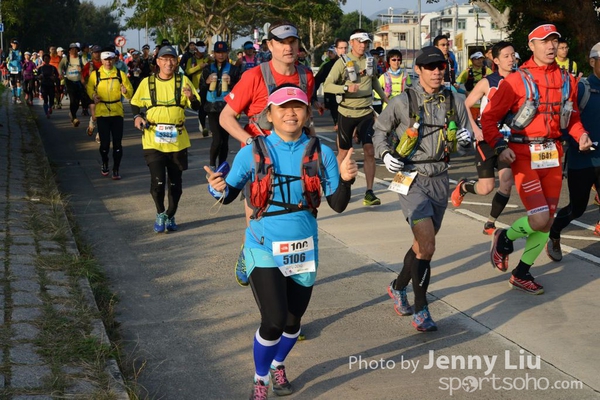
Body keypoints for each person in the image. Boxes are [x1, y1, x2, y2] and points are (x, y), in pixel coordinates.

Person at [204, 84, 357, 399]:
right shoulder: (253, 152)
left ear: (307, 114)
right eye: (282, 108)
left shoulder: (321, 153)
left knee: (292, 322)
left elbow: (338, 204)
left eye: (297, 107)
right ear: (269, 115)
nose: (290, 113)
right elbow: (228, 194)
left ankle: (278, 364)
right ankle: (260, 378)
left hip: (303, 248)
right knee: (273, 321)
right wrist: (216, 187)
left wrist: (345, 179)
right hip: (263, 244)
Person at [482, 23, 591, 295]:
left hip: (553, 156)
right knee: (540, 217)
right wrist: (499, 146)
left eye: (554, 40)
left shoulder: (568, 80)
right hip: (523, 155)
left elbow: (572, 118)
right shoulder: (516, 80)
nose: (551, 46)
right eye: (544, 41)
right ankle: (504, 237)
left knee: (548, 220)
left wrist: (581, 135)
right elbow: (489, 119)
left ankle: (522, 273)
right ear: (531, 46)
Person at [372, 46, 472, 332]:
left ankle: (397, 286)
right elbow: (379, 132)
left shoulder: (455, 100)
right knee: (427, 245)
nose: (437, 71)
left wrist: (465, 140)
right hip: (410, 177)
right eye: (430, 67)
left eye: (441, 66)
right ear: (418, 70)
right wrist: (385, 154)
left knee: (420, 246)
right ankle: (422, 309)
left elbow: (464, 143)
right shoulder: (402, 101)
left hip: (440, 178)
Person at [219, 21, 317, 287]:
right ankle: (250, 253)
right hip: (259, 164)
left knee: (295, 220)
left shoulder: (306, 77)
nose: (288, 47)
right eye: (281, 42)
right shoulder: (254, 76)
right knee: (258, 218)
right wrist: (252, 143)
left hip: (294, 161)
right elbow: (226, 117)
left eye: (292, 42)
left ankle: (291, 291)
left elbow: (304, 119)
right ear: (269, 45)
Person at [130, 45, 201, 233]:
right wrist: (137, 117)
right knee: (158, 182)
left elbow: (196, 106)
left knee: (176, 184)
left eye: (172, 59)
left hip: (177, 141)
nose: (169, 63)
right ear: (158, 62)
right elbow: (135, 102)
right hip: (153, 139)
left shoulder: (183, 80)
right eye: (165, 59)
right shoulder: (147, 82)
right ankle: (160, 213)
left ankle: (170, 214)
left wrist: (191, 97)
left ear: (176, 62)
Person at [451, 41, 516, 235]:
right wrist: (474, 129)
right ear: (495, 60)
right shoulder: (488, 82)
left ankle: (490, 223)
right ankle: (464, 187)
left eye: (513, 55)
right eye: (506, 56)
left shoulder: (521, 80)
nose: (511, 59)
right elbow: (465, 105)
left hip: (508, 140)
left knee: (506, 182)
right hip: (486, 138)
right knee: (486, 188)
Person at [546, 42, 600, 261]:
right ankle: (554, 232)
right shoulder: (582, 88)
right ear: (592, 62)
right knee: (577, 209)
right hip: (582, 161)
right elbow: (565, 123)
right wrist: (578, 141)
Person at [323, 28, 388, 206]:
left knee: (370, 151)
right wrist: (346, 88)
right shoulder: (342, 62)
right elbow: (328, 85)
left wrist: (385, 98)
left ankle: (369, 192)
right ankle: (335, 185)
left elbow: (374, 81)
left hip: (366, 112)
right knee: (344, 152)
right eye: (359, 41)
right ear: (351, 43)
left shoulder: (370, 60)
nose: (363, 45)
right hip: (347, 112)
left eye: (365, 42)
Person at [86, 48, 134, 180]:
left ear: (114, 59)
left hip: (117, 112)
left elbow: (130, 91)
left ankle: (116, 169)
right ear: (101, 61)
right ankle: (105, 162)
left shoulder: (120, 74)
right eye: (105, 60)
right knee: (105, 144)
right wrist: (93, 95)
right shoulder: (95, 75)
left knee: (117, 144)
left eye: (110, 59)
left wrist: (125, 91)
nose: (108, 62)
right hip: (102, 112)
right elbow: (89, 88)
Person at [201, 41, 241, 169]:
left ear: (227, 53)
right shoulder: (207, 69)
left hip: (227, 107)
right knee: (217, 139)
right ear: (214, 53)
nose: (220, 55)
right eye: (218, 52)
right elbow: (201, 89)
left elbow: (240, 89)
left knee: (225, 140)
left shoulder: (234, 69)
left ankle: (221, 166)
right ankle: (212, 164)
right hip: (212, 107)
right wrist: (207, 82)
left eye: (223, 52)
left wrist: (231, 82)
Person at [313, 40, 346, 131]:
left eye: (331, 52)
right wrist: (314, 99)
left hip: (348, 99)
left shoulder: (350, 63)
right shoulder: (327, 66)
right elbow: (316, 81)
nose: (329, 55)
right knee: (339, 126)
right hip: (332, 98)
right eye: (329, 53)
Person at [455, 51, 494, 119]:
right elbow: (455, 86)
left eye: (481, 58)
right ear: (472, 60)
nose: (480, 60)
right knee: (473, 124)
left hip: (486, 104)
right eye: (477, 58)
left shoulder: (487, 71)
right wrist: (465, 92)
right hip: (472, 105)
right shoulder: (466, 72)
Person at [184, 40, 210, 136]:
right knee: (201, 107)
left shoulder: (208, 59)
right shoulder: (191, 60)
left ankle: (206, 125)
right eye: (199, 50)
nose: (201, 52)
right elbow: (188, 71)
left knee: (208, 107)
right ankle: (203, 126)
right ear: (196, 50)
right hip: (196, 87)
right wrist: (199, 66)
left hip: (208, 86)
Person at [59, 43, 88, 127]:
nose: (74, 51)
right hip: (69, 81)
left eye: (75, 49)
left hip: (79, 81)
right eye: (72, 49)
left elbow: (87, 66)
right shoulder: (66, 58)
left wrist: (82, 69)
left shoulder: (81, 58)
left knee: (77, 101)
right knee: (72, 99)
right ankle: (74, 118)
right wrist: (60, 74)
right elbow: (60, 66)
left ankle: (72, 113)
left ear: (78, 50)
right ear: (69, 51)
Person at [36, 53, 59, 118]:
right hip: (44, 85)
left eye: (47, 58)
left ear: (49, 59)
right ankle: (47, 113)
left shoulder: (53, 68)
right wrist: (39, 77)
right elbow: (37, 77)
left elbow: (57, 76)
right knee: (45, 99)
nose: (46, 60)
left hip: (51, 85)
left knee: (51, 98)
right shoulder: (41, 68)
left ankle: (50, 107)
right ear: (43, 60)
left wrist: (54, 78)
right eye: (45, 59)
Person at [7, 39, 23, 104]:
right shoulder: (10, 51)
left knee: (18, 82)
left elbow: (20, 58)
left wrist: (15, 57)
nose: (15, 45)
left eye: (16, 44)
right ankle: (14, 96)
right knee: (12, 83)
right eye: (14, 44)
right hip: (11, 69)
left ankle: (18, 97)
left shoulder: (19, 51)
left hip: (17, 69)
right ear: (11, 44)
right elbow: (9, 59)